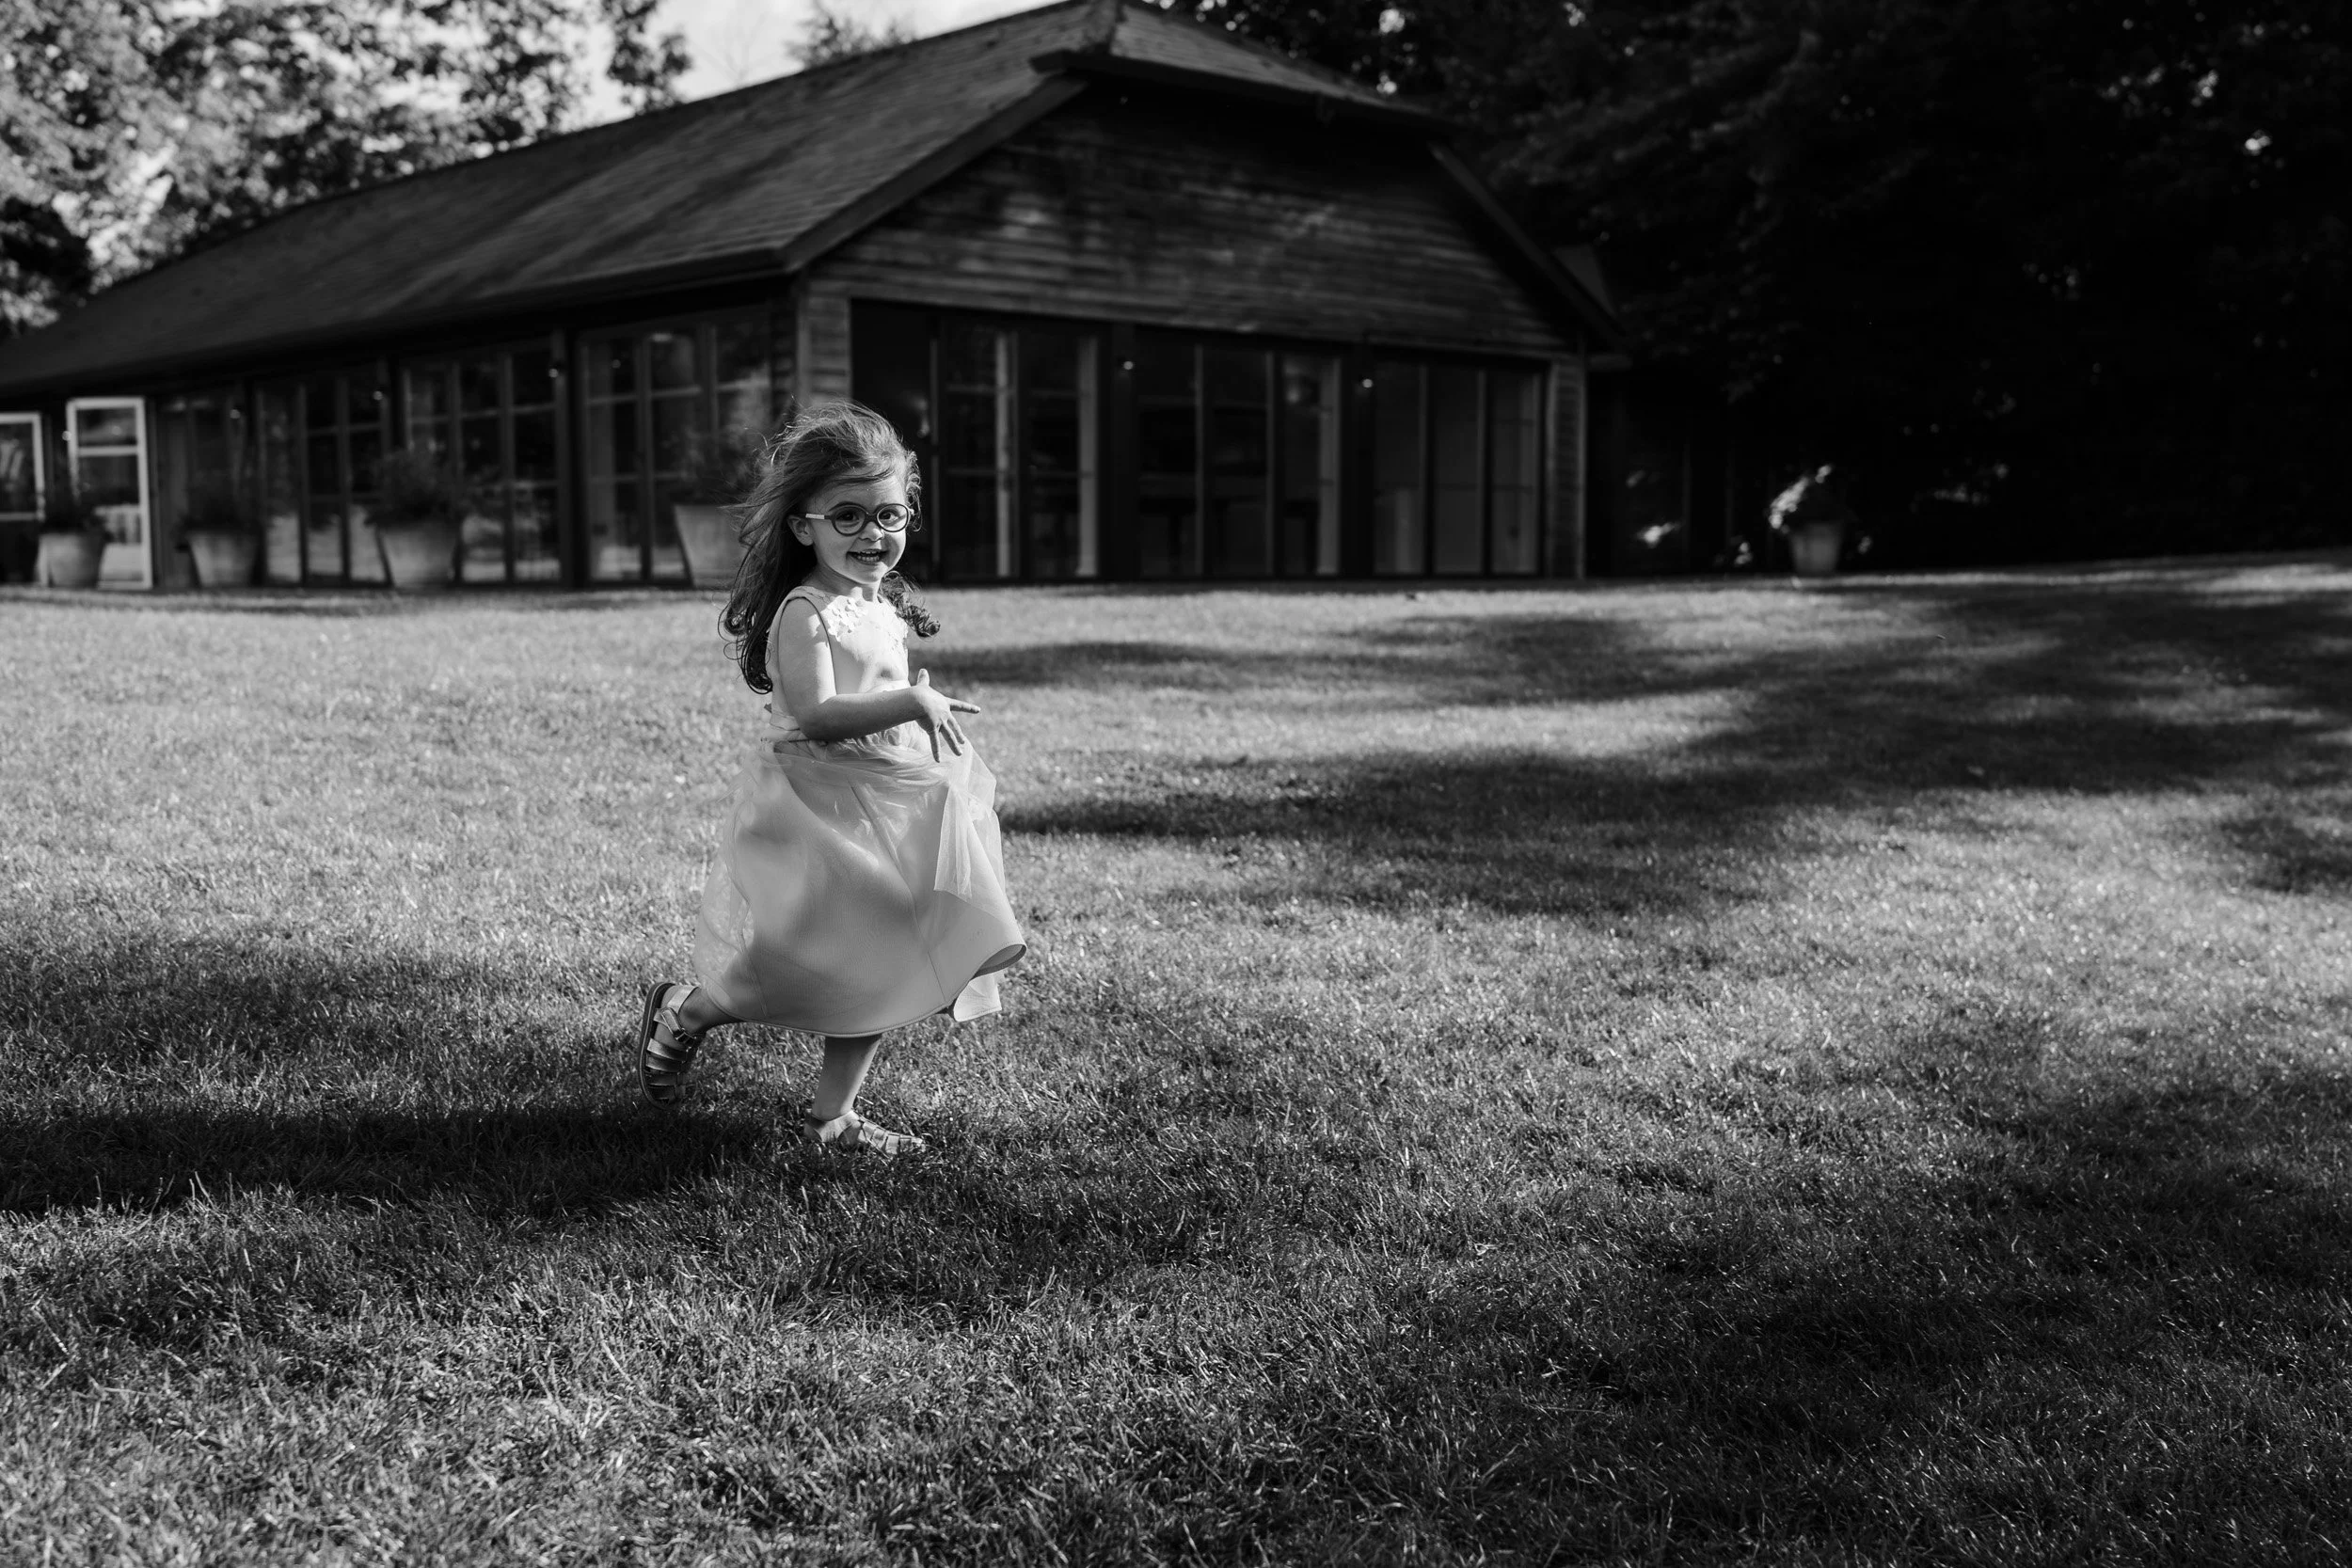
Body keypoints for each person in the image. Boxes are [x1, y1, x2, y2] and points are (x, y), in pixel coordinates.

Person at [635, 403, 1025, 1155]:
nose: (872, 533)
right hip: (815, 803)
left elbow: (876, 690)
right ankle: (686, 1011)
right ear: (802, 525)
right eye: (848, 515)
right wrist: (909, 701)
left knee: (885, 947)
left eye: (889, 513)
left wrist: (909, 714)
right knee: (798, 951)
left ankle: (833, 1116)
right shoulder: (805, 612)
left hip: (883, 793)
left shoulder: (877, 602)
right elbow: (816, 714)